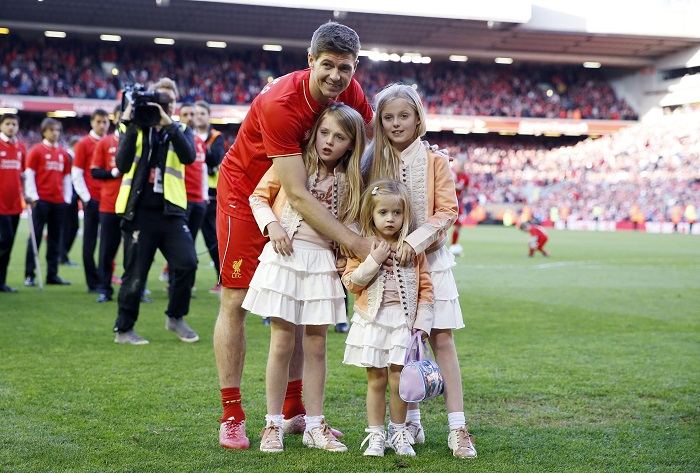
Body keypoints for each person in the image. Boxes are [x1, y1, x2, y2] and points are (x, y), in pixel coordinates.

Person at [214, 21, 373, 450]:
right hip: (251, 193)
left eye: (345, 68)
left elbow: (371, 157)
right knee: (236, 298)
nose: (336, 77)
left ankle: (295, 410)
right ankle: (232, 413)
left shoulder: (351, 95)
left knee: (304, 309)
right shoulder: (280, 102)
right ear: (310, 61)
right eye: (327, 66)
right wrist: (355, 244)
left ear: (354, 67)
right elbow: (298, 195)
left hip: (305, 208)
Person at [362, 83, 477, 459]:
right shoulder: (370, 161)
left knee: (441, 338)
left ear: (417, 119)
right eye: (389, 117)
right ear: (380, 121)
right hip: (385, 267)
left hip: (430, 259)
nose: (396, 123)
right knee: (400, 346)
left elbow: (448, 211)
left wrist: (416, 242)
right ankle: (410, 420)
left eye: (404, 116)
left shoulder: (434, 160)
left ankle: (458, 429)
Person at [244, 103, 365, 453]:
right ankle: (272, 425)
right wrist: (272, 225)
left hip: (322, 266)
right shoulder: (293, 163)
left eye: (340, 137)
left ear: (351, 145)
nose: (329, 142)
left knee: (317, 345)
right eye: (325, 132)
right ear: (314, 132)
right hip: (285, 258)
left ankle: (315, 424)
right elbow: (258, 196)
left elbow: (352, 225)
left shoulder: (351, 179)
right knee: (282, 342)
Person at [342, 179, 434, 457]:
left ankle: (399, 432)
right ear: (371, 213)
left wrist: (423, 323)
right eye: (383, 213)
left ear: (405, 215)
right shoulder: (363, 246)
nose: (390, 219)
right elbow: (351, 282)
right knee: (376, 379)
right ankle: (376, 436)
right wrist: (373, 260)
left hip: (402, 324)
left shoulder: (412, 249)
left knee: (399, 380)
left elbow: (426, 288)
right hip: (372, 322)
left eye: (396, 213)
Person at [112, 77, 199, 345]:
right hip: (138, 213)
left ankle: (175, 317)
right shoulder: (134, 127)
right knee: (135, 275)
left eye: (169, 102)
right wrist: (128, 122)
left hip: (171, 212)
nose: (164, 106)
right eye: (159, 101)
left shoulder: (181, 128)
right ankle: (124, 330)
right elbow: (122, 163)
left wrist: (169, 126)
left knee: (187, 263)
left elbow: (188, 157)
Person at [24, 118, 73, 287]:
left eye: (58, 130)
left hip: (58, 202)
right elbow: (29, 174)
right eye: (52, 130)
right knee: (35, 237)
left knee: (55, 239)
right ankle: (29, 274)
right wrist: (33, 196)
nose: (55, 133)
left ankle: (52, 274)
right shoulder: (36, 151)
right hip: (41, 201)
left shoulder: (63, 153)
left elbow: (67, 177)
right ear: (44, 131)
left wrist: (67, 198)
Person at [72, 108, 111, 293]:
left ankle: (104, 280)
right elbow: (77, 173)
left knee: (107, 243)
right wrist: (86, 198)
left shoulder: (111, 142)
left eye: (105, 122)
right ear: (92, 122)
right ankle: (91, 282)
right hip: (92, 200)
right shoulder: (83, 144)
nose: (102, 125)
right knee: (90, 242)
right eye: (99, 121)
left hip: (109, 201)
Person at [193, 100, 226, 294]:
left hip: (211, 196)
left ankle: (221, 279)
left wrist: (197, 149)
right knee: (185, 239)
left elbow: (215, 159)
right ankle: (182, 282)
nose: (198, 117)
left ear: (208, 116)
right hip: (189, 192)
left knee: (212, 240)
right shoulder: (187, 135)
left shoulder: (217, 137)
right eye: (195, 114)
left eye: (202, 114)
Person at [92, 106, 123, 303]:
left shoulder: (143, 142)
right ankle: (105, 288)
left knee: (137, 251)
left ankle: (137, 289)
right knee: (106, 250)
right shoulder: (105, 143)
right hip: (110, 205)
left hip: (135, 206)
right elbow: (95, 171)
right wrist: (112, 172)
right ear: (116, 119)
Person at [0, 113, 26, 293]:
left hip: (15, 204)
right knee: (5, 239)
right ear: (1, 126)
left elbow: (23, 174)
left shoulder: (21, 148)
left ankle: (2, 281)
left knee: (8, 245)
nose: (11, 127)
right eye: (8, 124)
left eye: (14, 124)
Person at [59, 136, 80, 267]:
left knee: (73, 227)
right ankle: (62, 255)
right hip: (67, 198)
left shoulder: (72, 158)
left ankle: (63, 254)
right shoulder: (67, 157)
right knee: (66, 228)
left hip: (73, 198)